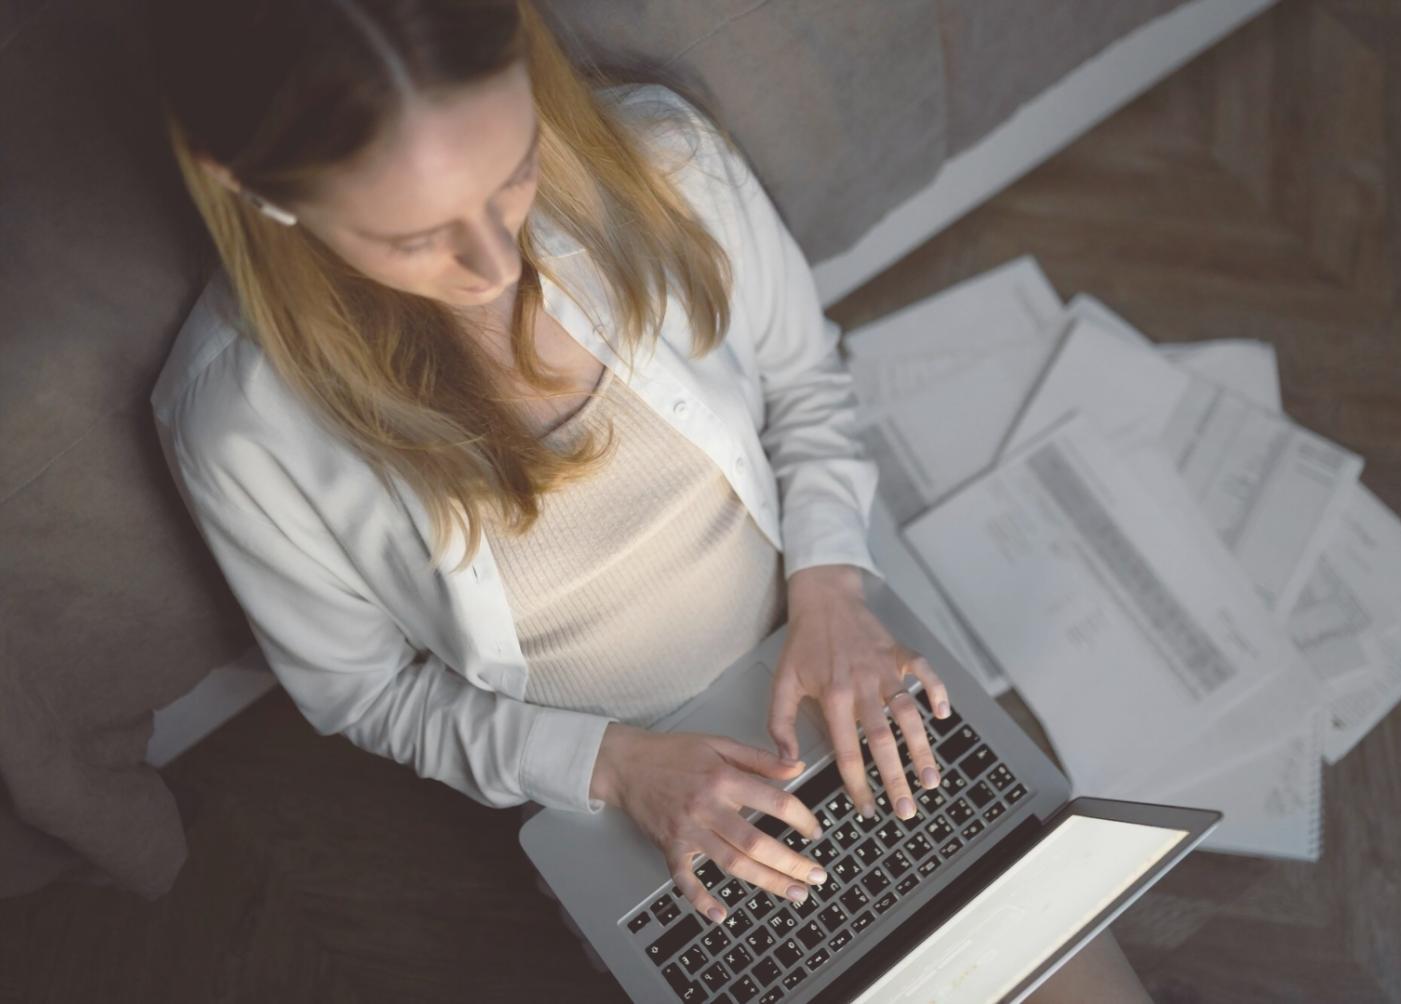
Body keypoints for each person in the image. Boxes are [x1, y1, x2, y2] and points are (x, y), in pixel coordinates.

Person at [148, 1, 1151, 999]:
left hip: (822, 648)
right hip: (620, 789)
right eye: (415, 237)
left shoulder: (667, 163)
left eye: (513, 171)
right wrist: (618, 767)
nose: (498, 265)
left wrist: (832, 587)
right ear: (254, 188)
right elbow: (365, 692)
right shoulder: (238, 425)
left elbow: (803, 383)